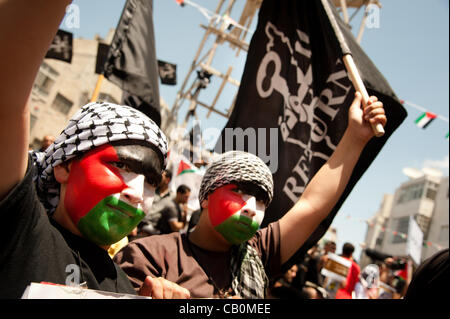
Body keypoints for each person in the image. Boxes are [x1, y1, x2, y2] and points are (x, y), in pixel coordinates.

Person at [115, 89, 386, 298]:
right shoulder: (149, 256)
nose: (250, 207)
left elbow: (313, 205)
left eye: (261, 200)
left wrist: (355, 137)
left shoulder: (257, 253)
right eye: (240, 191)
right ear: (206, 197)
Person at [0, 0, 189, 299]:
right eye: (122, 166)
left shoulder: (129, 286)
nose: (137, 193)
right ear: (64, 165)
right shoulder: (19, 228)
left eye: (152, 182)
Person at [137, 169, 173, 236]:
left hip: (155, 232)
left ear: (167, 180)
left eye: (161, 176)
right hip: (139, 226)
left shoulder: (172, 197)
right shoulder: (151, 190)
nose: (158, 178)